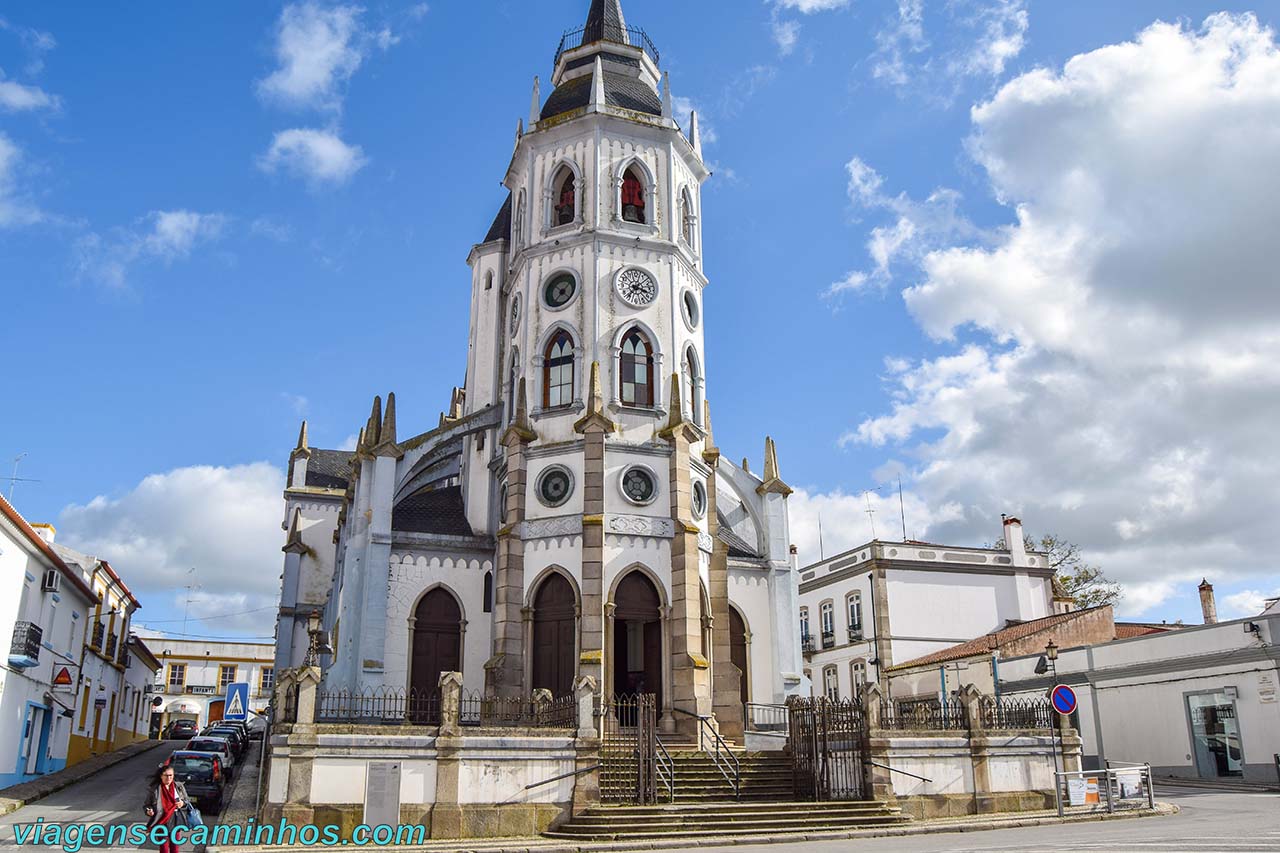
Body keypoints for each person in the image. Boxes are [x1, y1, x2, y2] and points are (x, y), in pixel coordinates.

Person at [143, 764, 189, 853]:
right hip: (161, 821)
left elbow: (187, 800)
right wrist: (148, 810)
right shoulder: (154, 790)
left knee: (175, 848)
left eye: (171, 775)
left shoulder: (178, 787)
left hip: (175, 820)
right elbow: (147, 805)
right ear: (161, 776)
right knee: (164, 849)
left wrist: (182, 803)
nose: (169, 778)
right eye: (166, 775)